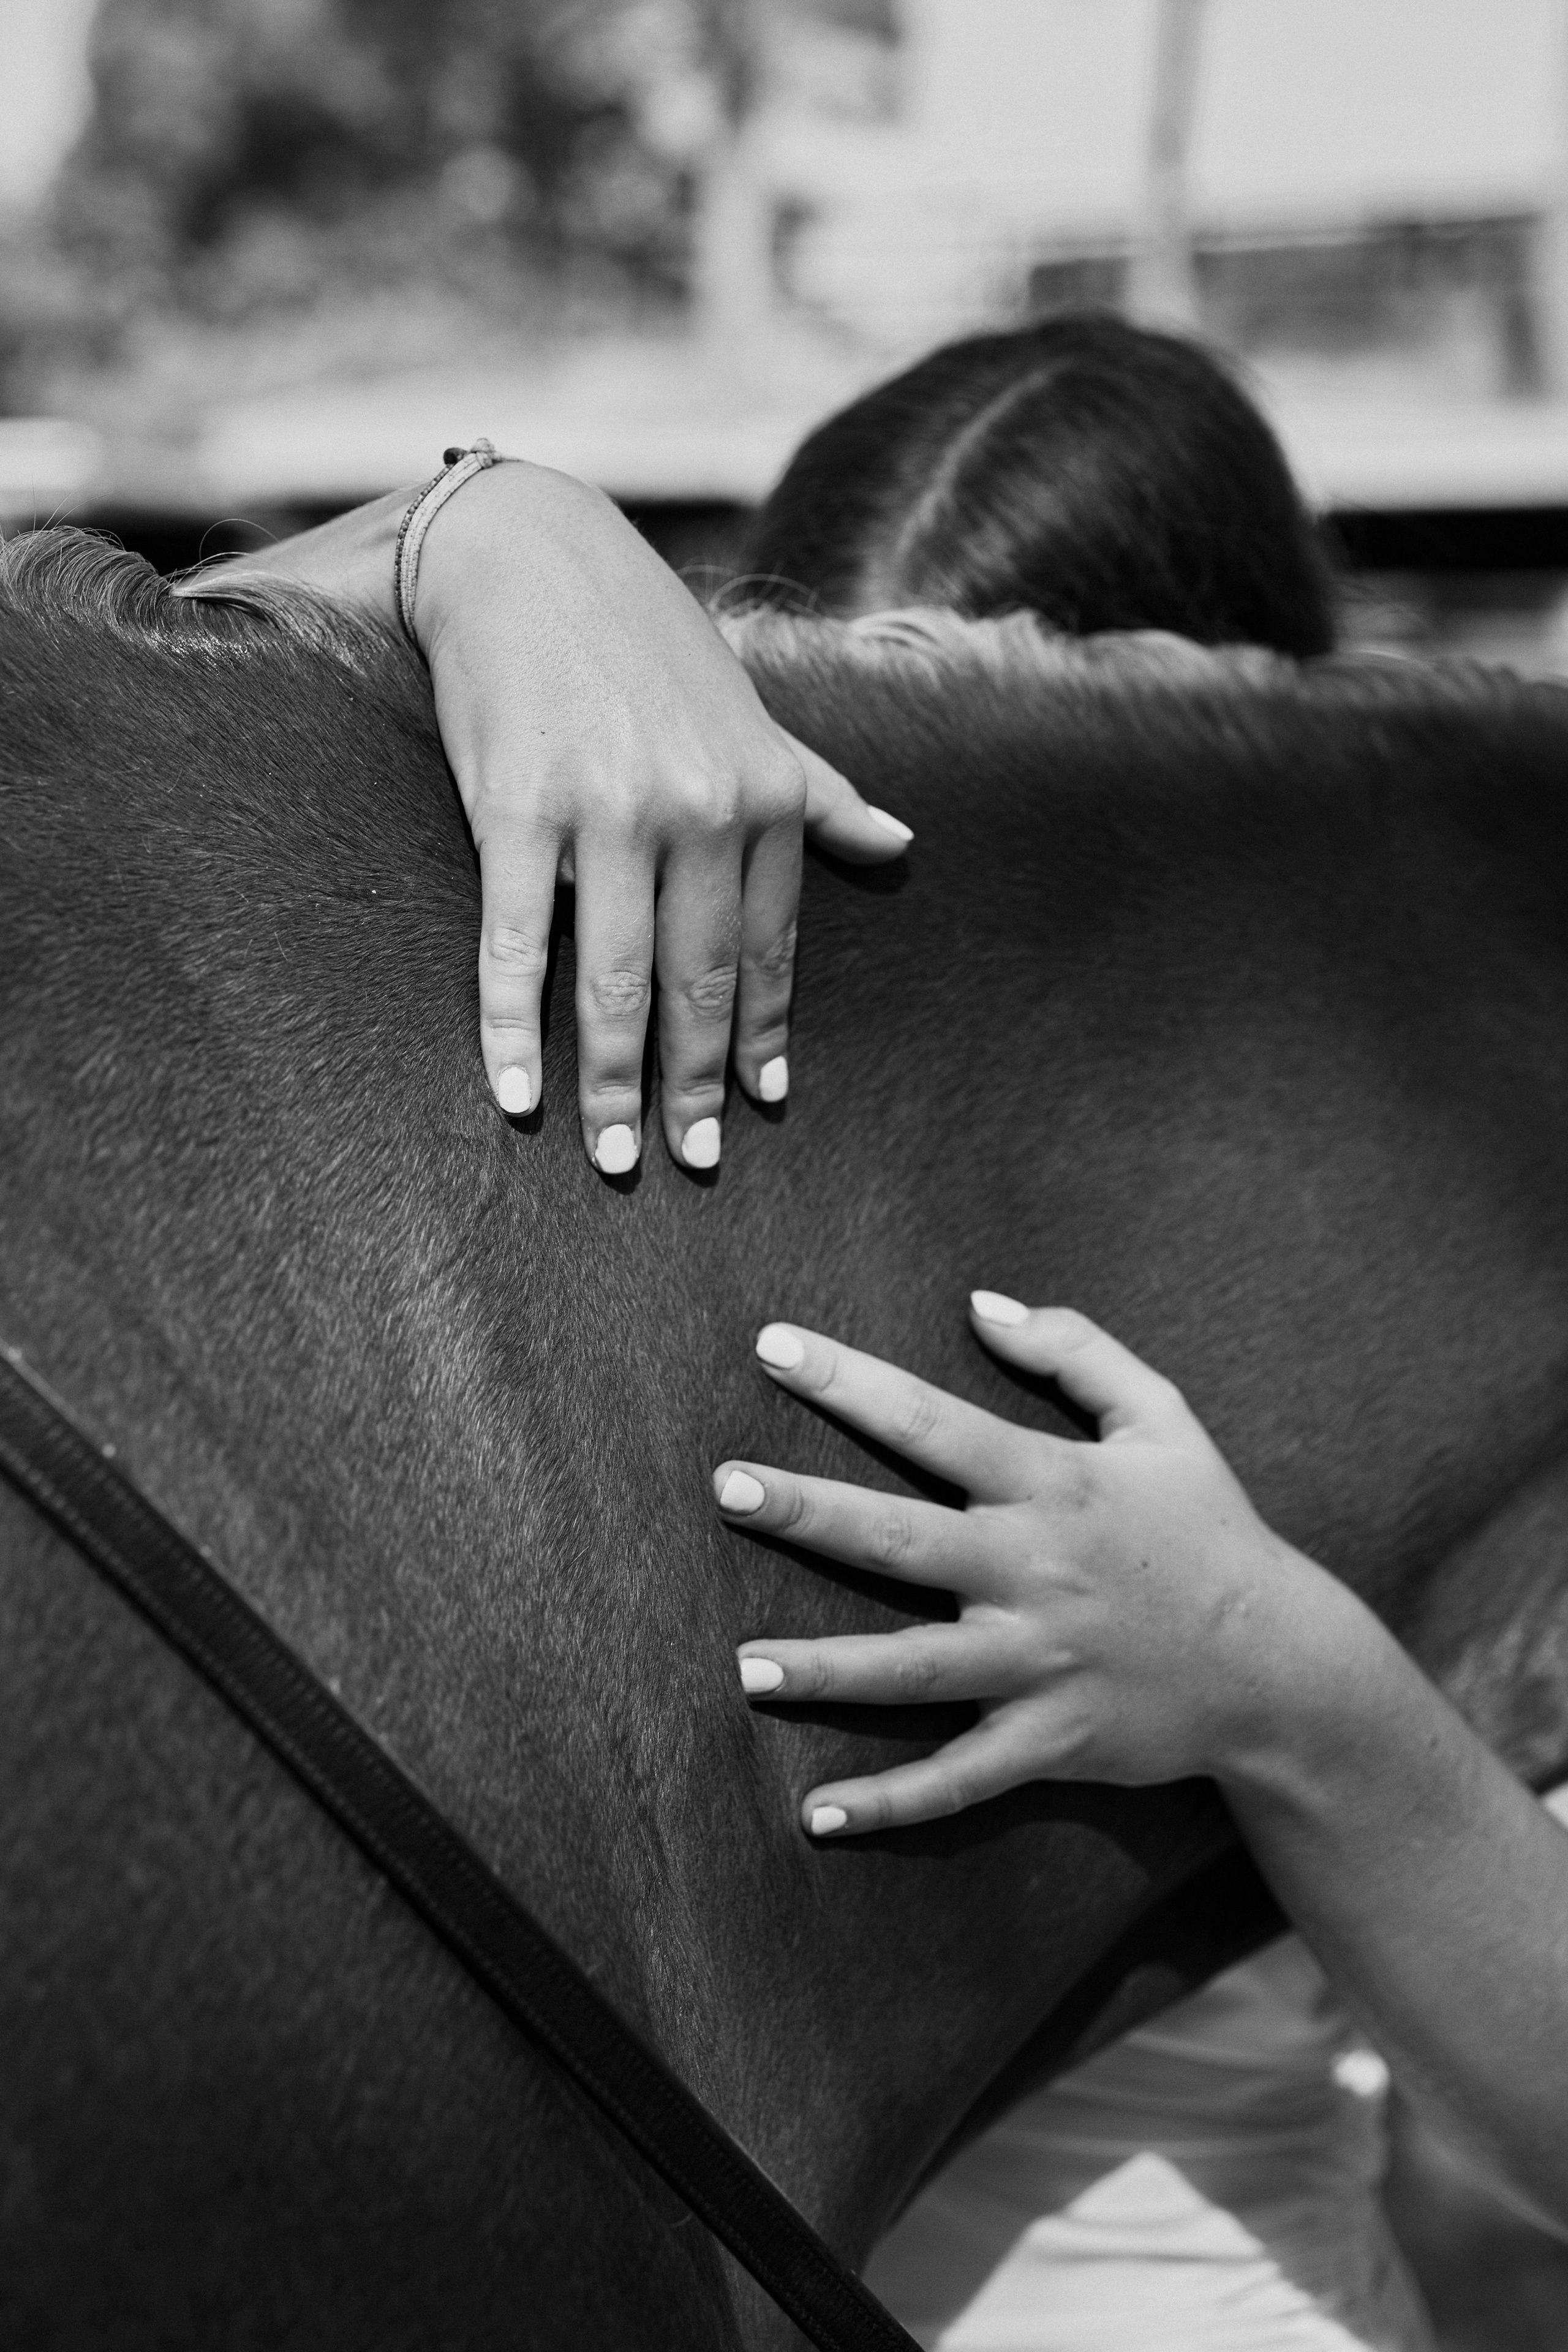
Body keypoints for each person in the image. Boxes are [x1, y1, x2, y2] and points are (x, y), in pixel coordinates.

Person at [698, 317, 1568, 2350]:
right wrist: (481, 540)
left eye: (1029, 796)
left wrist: (1273, 1674)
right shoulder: (681, 1138)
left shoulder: (1479, 1235)